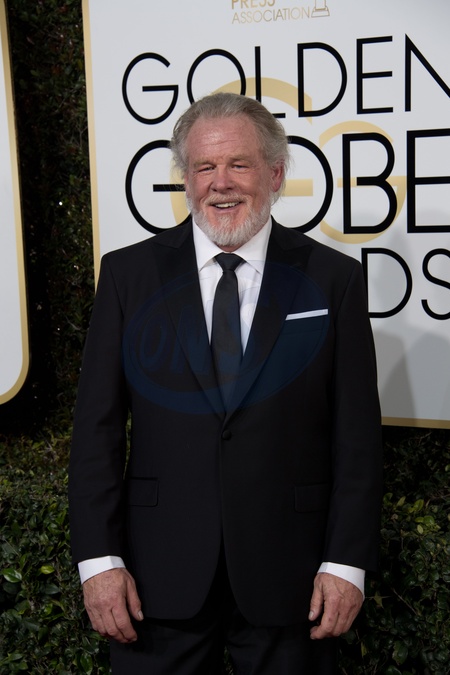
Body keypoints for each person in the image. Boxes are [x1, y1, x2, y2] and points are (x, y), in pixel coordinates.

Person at [69, 92, 383, 674]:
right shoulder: (128, 275)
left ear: (275, 173)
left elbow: (357, 438)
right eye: (204, 167)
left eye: (239, 164)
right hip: (154, 577)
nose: (221, 183)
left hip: (292, 575)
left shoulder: (333, 279)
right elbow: (96, 433)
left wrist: (346, 563)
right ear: (186, 179)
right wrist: (99, 561)